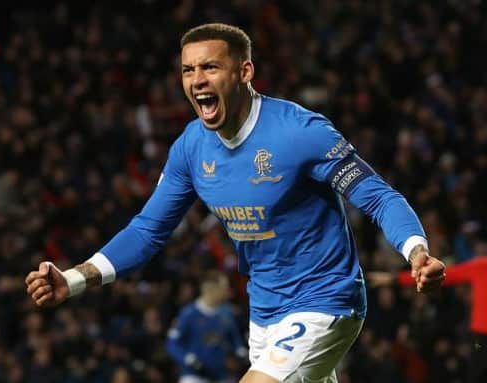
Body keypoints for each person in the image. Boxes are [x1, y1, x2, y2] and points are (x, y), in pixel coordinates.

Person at [25, 23, 446, 382]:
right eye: (188, 70)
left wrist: (416, 249)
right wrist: (73, 279)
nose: (197, 80)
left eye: (210, 66)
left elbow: (375, 195)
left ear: (245, 71)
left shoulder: (300, 133)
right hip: (263, 313)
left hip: (325, 300)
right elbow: (147, 230)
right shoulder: (191, 147)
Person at [368, 243, 487, 383]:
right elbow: (435, 275)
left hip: (480, 336)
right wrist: (392, 279)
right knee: (476, 375)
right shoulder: (481, 267)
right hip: (481, 338)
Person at [166, 270, 248, 383]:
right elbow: (172, 344)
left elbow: (235, 341)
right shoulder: (189, 314)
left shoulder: (227, 313)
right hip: (194, 376)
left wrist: (241, 355)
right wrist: (189, 359)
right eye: (224, 287)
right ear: (211, 289)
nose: (228, 291)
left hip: (222, 375)